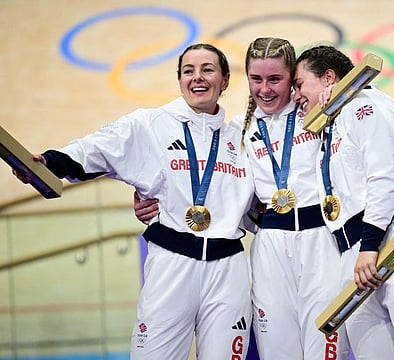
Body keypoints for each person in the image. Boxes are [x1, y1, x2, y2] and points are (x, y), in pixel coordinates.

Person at [13, 43, 255, 360]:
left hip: (229, 269)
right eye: (188, 71)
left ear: (224, 80)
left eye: (207, 70)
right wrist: (48, 162)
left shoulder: (241, 136)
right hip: (172, 264)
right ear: (180, 80)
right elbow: (97, 148)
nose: (197, 78)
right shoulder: (150, 125)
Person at [135, 37, 350, 360]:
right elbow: (205, 183)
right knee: (278, 351)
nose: (264, 89)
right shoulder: (237, 132)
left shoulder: (317, 114)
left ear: (292, 78)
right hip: (269, 249)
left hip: (322, 242)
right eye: (256, 79)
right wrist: (147, 195)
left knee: (326, 347)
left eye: (275, 79)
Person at [293, 44, 394, 359]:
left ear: (329, 77)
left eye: (299, 84)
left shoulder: (367, 105)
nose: (295, 95)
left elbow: (385, 179)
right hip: (355, 256)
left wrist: (369, 246)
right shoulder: (330, 128)